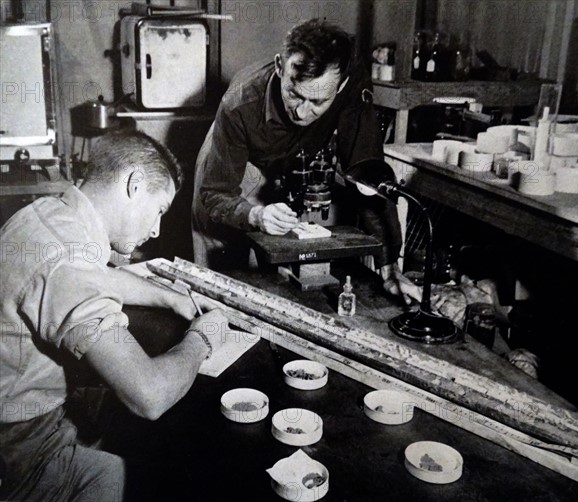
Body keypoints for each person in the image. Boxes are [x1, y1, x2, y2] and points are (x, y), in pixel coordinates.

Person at [0, 130, 228, 501]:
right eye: (159, 210)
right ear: (135, 185)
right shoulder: (70, 260)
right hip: (22, 446)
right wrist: (203, 337)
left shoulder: (49, 215)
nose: (155, 230)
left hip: (17, 413)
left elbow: (97, 277)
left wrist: (169, 298)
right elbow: (148, 395)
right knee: (156, 475)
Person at [192, 18, 420, 302]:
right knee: (226, 282)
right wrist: (255, 214)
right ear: (279, 66)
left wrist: (389, 266)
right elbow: (215, 194)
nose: (301, 113)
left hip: (289, 160)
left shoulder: (350, 83)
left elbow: (367, 174)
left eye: (318, 103)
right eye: (294, 94)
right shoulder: (238, 104)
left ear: (342, 85)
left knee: (278, 273)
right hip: (239, 161)